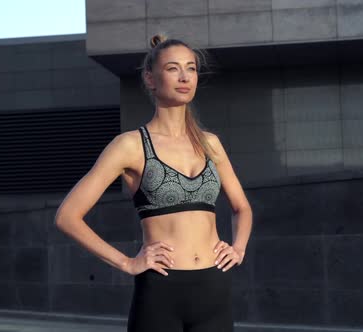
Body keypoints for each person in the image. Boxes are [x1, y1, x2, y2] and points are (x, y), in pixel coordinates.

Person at [54, 33, 253, 332]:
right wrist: (126, 262)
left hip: (214, 288)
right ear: (150, 78)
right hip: (161, 292)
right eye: (173, 68)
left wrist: (238, 248)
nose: (184, 76)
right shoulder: (130, 146)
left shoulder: (210, 144)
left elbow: (242, 208)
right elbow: (67, 216)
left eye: (191, 68)